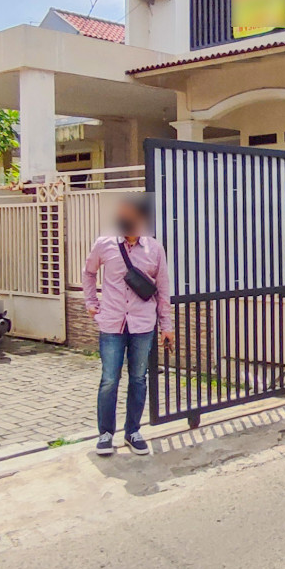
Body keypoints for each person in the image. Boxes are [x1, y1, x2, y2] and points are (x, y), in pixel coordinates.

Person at [84, 195, 174, 457]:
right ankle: (105, 434)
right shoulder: (104, 244)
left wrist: (166, 325)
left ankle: (133, 431)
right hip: (112, 322)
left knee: (138, 378)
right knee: (109, 379)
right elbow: (88, 272)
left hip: (143, 324)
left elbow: (163, 288)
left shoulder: (155, 248)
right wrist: (91, 302)